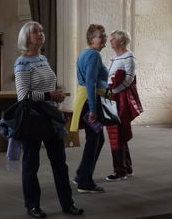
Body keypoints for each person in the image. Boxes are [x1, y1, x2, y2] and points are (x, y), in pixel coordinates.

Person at [14, 21, 83, 218]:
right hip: (32, 118)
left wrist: (55, 96)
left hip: (51, 116)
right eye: (35, 32)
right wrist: (49, 95)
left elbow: (47, 86)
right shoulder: (22, 63)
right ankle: (33, 205)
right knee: (31, 163)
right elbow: (22, 95)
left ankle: (68, 203)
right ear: (26, 37)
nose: (40, 34)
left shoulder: (43, 59)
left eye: (42, 31)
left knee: (60, 163)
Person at [70, 24, 108, 193]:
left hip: (86, 101)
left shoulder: (86, 53)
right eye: (101, 36)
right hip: (90, 103)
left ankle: (81, 174)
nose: (104, 39)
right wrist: (93, 109)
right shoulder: (93, 55)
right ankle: (84, 181)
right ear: (91, 39)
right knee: (95, 139)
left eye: (105, 35)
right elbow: (91, 82)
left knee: (97, 139)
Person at [105, 30, 143, 181]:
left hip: (120, 99)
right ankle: (126, 167)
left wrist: (113, 91)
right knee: (117, 133)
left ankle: (120, 170)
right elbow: (110, 76)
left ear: (121, 41)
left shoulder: (129, 56)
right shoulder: (113, 58)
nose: (110, 41)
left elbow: (128, 79)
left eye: (113, 39)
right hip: (112, 97)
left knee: (118, 133)